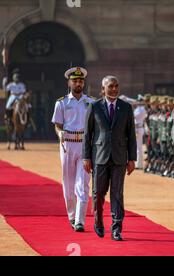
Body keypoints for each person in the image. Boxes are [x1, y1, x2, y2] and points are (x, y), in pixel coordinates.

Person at [83, 75, 137, 241]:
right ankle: (98, 222)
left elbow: (131, 135)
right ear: (103, 89)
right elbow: (88, 134)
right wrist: (86, 157)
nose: (114, 89)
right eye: (110, 86)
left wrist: (132, 159)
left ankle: (116, 228)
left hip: (120, 158)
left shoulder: (126, 108)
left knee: (117, 194)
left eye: (116, 86)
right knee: (98, 192)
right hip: (99, 157)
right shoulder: (94, 107)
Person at [51, 66, 95, 232]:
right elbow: (57, 125)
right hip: (67, 145)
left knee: (82, 183)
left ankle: (79, 221)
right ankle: (71, 215)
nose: (78, 83)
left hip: (85, 145)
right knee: (68, 185)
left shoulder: (90, 102)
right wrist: (59, 133)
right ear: (69, 83)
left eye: (81, 81)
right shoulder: (61, 102)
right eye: (75, 80)